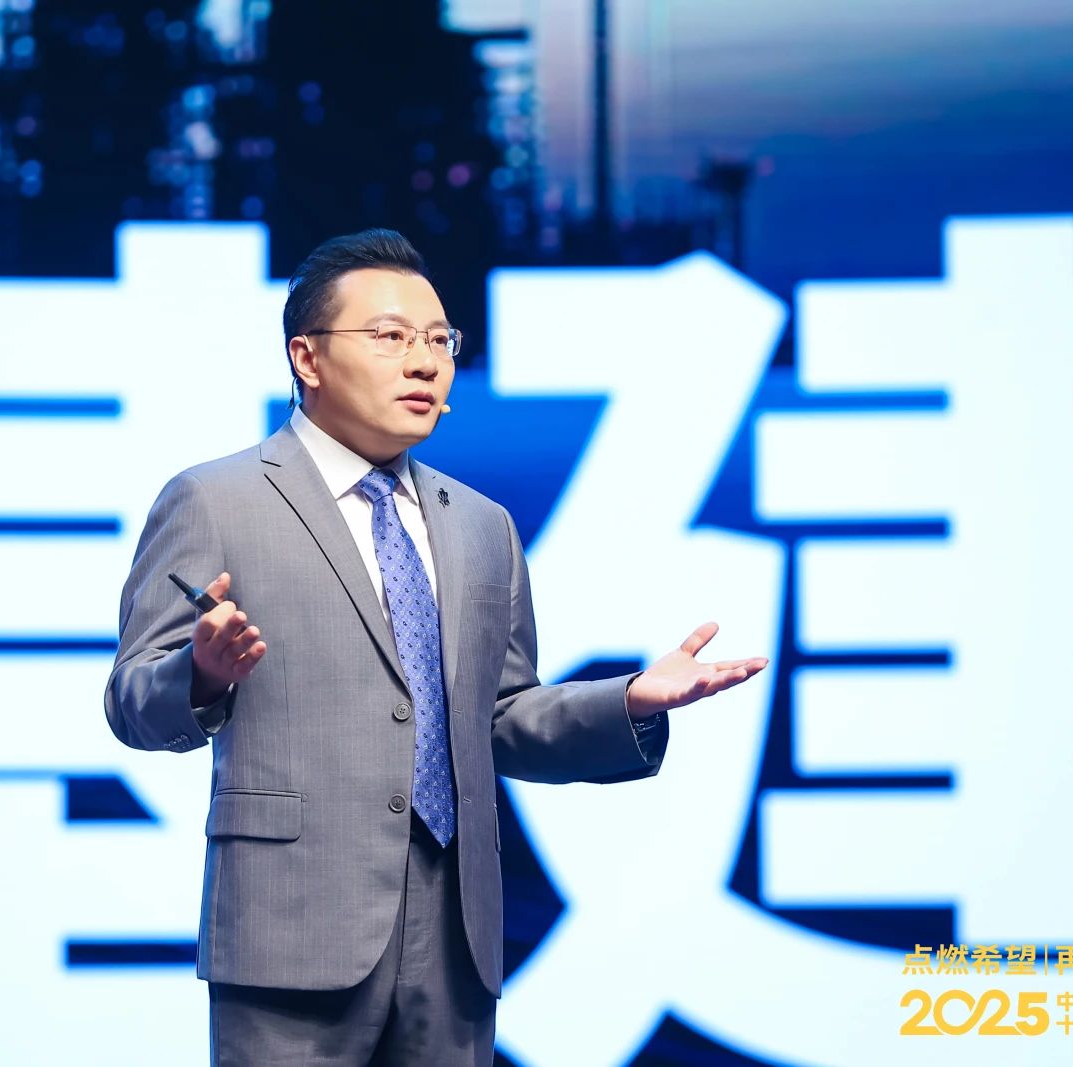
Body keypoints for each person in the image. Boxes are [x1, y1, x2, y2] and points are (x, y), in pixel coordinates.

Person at [103, 228, 767, 1065]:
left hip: (454, 937)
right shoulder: (216, 499)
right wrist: (202, 673)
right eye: (390, 337)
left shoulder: (483, 526)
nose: (424, 363)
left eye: (440, 340)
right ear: (307, 358)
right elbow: (130, 701)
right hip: (291, 927)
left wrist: (627, 701)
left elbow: (501, 716)